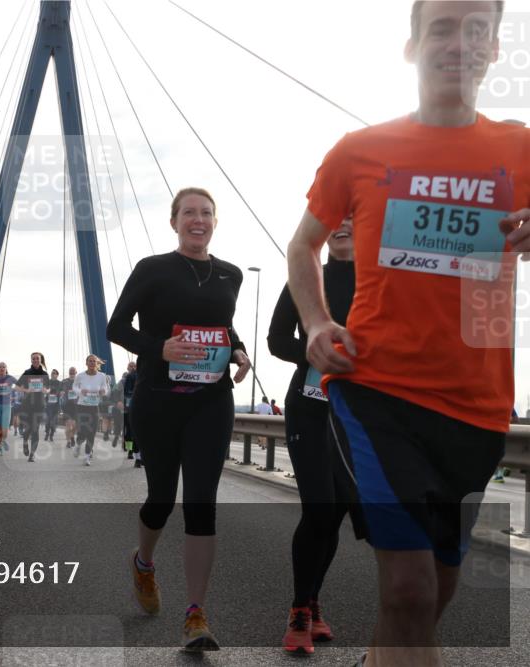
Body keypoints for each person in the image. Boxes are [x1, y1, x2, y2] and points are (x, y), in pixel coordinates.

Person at [286, 3, 528, 664]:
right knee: (412, 591)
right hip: (376, 390)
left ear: (495, 48)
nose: (460, 40)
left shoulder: (520, 148)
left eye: (477, 27)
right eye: (443, 26)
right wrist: (316, 322)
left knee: (434, 588)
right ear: (412, 47)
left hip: (477, 409)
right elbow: (303, 245)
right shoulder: (361, 151)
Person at [107, 187, 252, 652]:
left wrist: (239, 349)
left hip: (211, 401)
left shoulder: (230, 274)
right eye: (189, 212)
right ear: (174, 222)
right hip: (158, 399)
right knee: (161, 498)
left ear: (214, 221)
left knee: (202, 502)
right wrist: (158, 348)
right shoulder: (152, 270)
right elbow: (116, 328)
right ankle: (144, 562)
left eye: (206, 213)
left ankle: (195, 614)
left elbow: (221, 324)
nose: (198, 220)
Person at [269, 217, 358, 655]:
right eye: (336, 218)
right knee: (320, 506)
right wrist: (316, 348)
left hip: (360, 416)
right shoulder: (307, 279)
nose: (343, 224)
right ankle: (299, 612)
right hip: (310, 410)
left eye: (353, 217)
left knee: (338, 510)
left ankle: (313, 601)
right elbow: (275, 340)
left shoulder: (384, 282)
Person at [72, 354, 109, 466]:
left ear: (97, 363)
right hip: (82, 406)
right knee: (83, 431)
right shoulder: (80, 376)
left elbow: (105, 388)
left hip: (94, 406)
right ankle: (78, 444)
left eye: (94, 361)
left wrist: (103, 391)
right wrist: (80, 392)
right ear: (86, 363)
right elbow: (74, 387)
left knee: (92, 432)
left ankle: (87, 456)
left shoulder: (102, 376)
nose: (92, 363)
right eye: (90, 361)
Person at [15, 352, 49, 461]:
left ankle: (32, 454)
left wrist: (46, 390)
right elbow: (16, 387)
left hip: (40, 405)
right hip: (27, 405)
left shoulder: (45, 374)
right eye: (33, 359)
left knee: (35, 429)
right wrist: (26, 390)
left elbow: (48, 389)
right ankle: (25, 442)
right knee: (28, 428)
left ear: (40, 360)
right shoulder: (27, 373)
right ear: (31, 360)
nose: (35, 360)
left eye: (37, 359)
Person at [0, 362, 17, 455]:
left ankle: (4, 440)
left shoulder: (10, 378)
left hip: (6, 405)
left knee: (4, 429)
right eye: (0, 367)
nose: (1, 368)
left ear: (6, 369)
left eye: (3, 367)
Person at [61, 366, 79, 448]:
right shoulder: (64, 381)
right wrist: (61, 392)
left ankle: (72, 436)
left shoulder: (80, 382)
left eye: (73, 372)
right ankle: (68, 441)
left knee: (75, 426)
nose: (72, 374)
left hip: (77, 405)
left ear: (76, 373)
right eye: (70, 372)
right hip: (67, 405)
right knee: (68, 425)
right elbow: (58, 390)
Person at [44, 368, 61, 441]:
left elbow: (62, 391)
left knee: (54, 421)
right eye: (52, 373)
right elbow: (44, 390)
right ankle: (47, 432)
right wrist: (46, 391)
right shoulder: (48, 382)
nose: (53, 374)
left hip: (56, 405)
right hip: (48, 404)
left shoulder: (60, 383)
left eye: (54, 373)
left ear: (57, 375)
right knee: (48, 420)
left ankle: (51, 435)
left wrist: (61, 393)